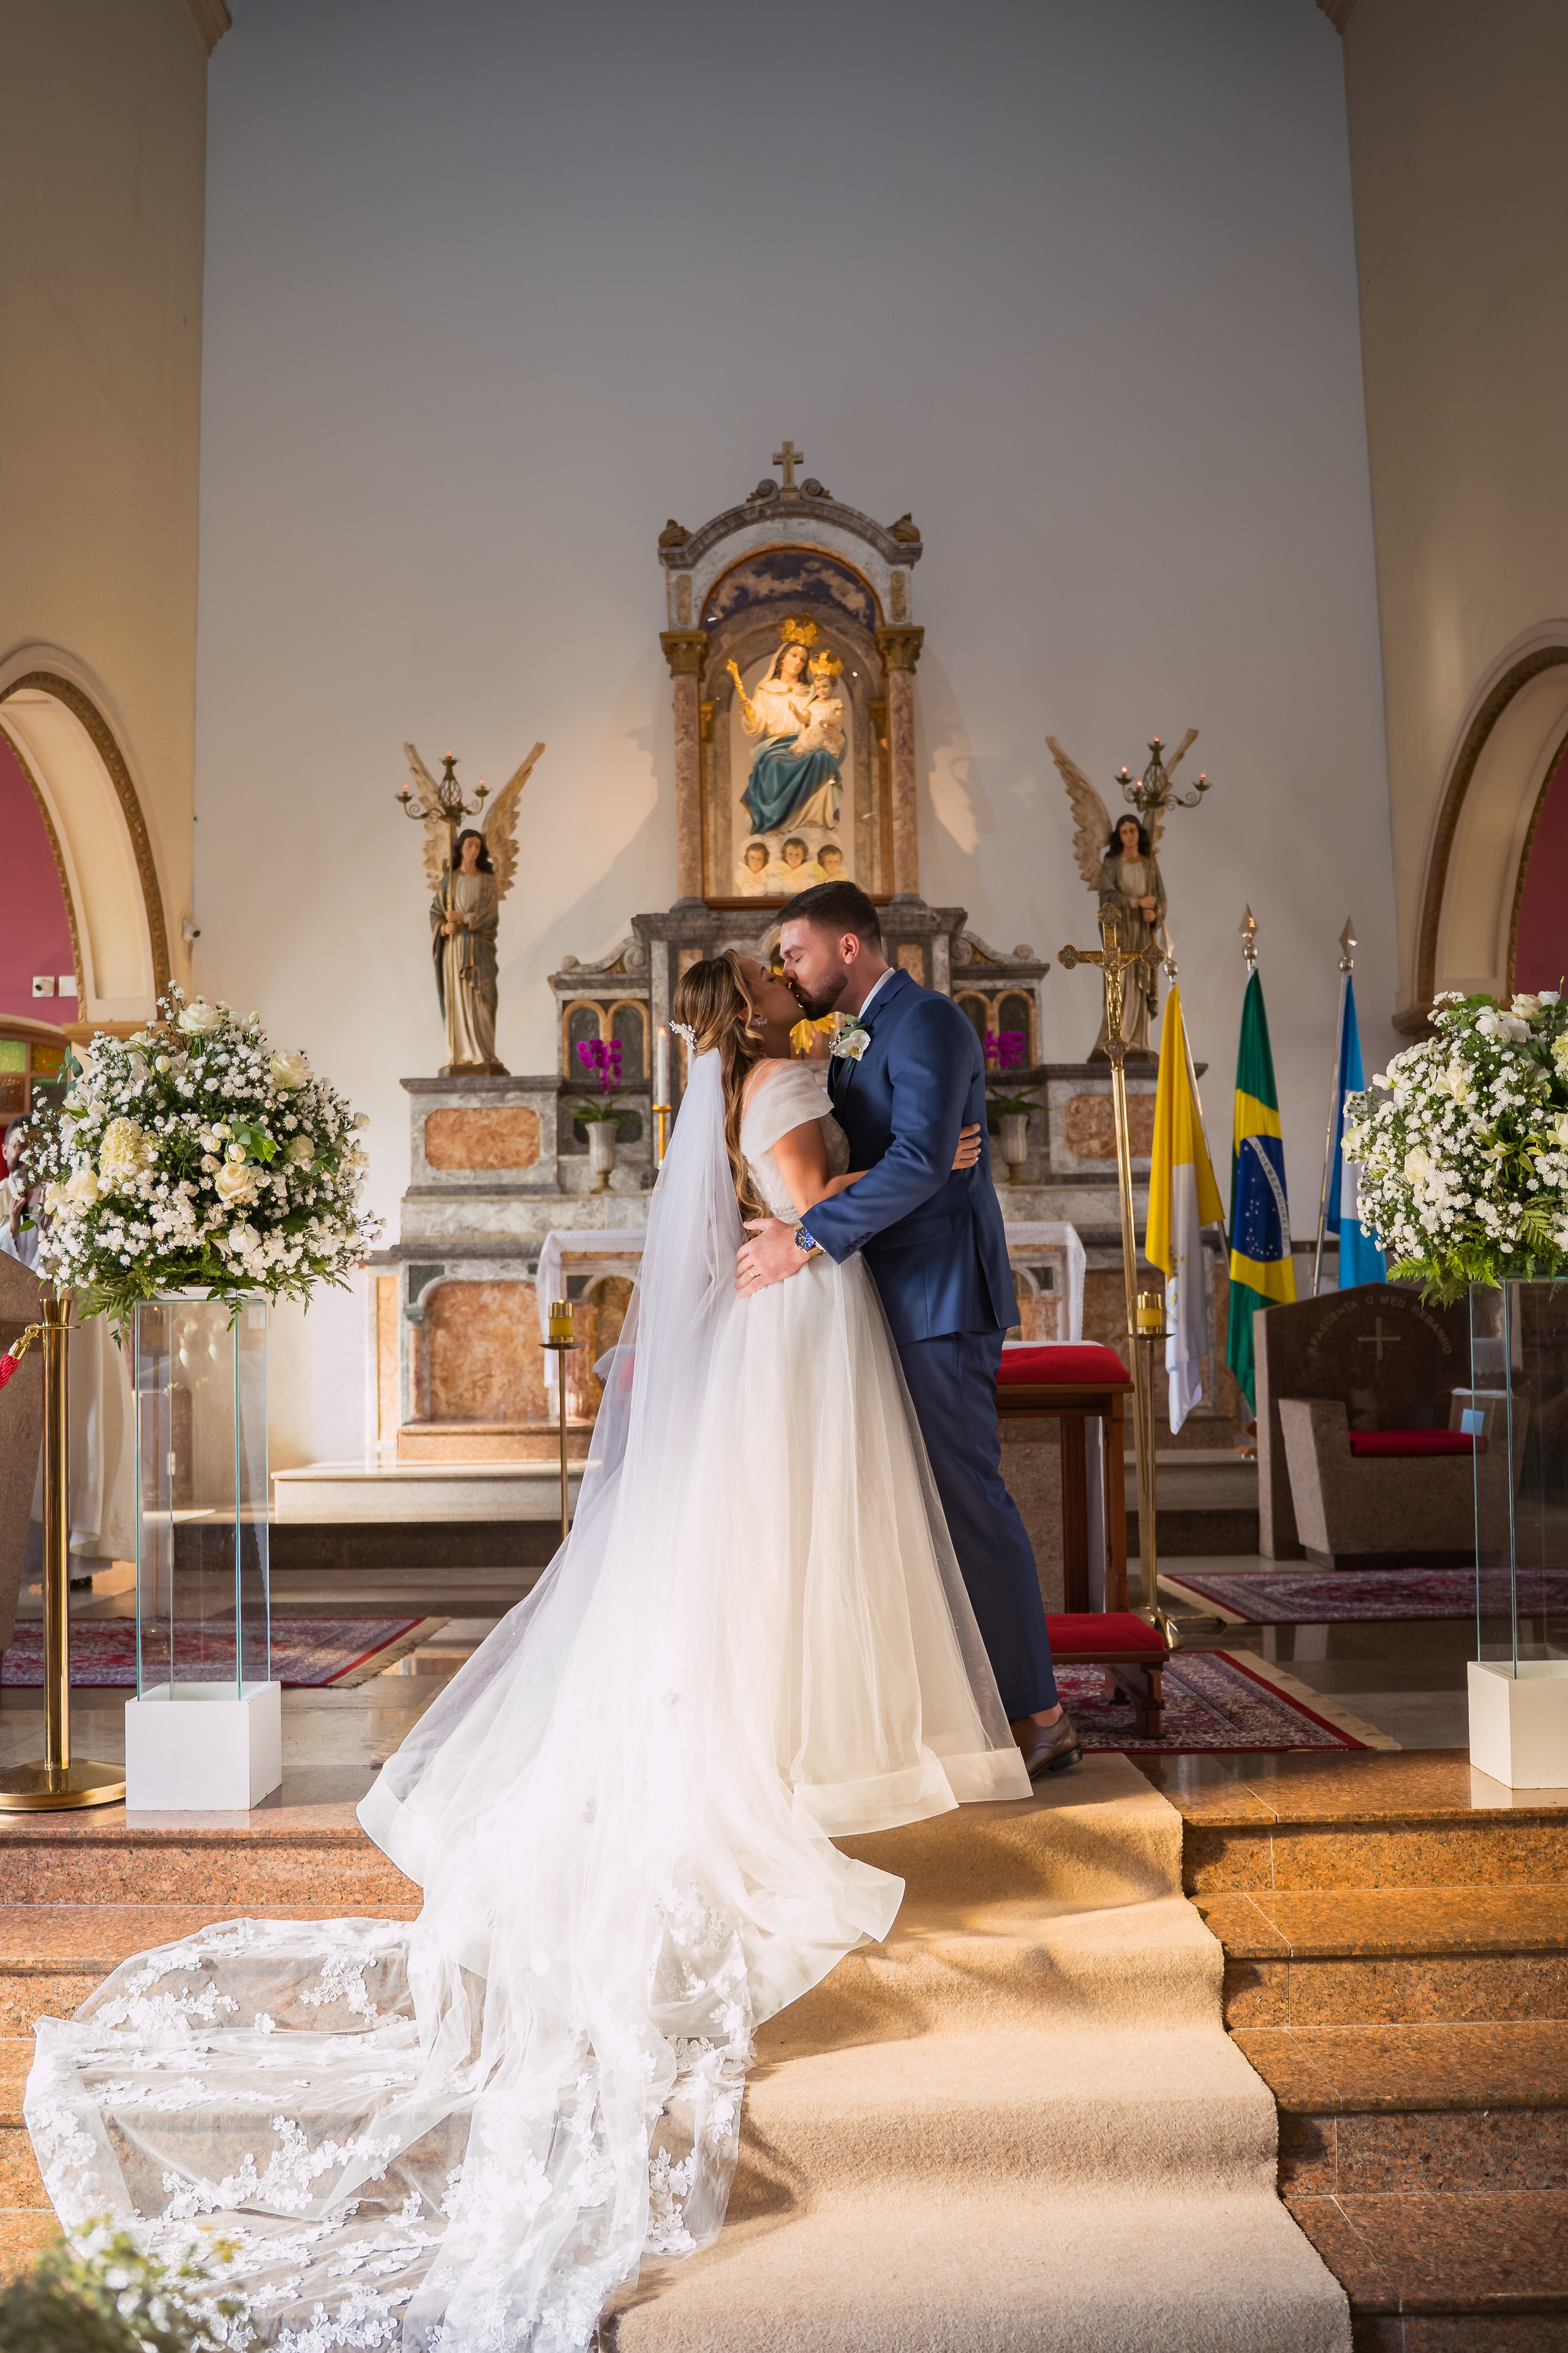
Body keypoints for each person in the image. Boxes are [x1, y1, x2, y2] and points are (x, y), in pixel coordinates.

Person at [26, 953, 1027, 2352]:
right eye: (789, 985)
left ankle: (777, 1722)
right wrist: (863, 1193)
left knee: (744, 1552)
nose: (810, 1000)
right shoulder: (786, 1076)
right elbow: (804, 1201)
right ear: (768, 1014)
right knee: (796, 1543)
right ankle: (795, 1738)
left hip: (771, 1323)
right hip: (798, 1316)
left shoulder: (738, 1075)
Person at [736, 878, 1081, 1780]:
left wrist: (805, 1235)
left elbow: (924, 1161)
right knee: (907, 1514)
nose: (788, 969)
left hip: (937, 1298)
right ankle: (955, 1705)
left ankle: (1042, 1715)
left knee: (966, 1505)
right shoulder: (854, 1035)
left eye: (798, 952)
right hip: (880, 1296)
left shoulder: (925, 1021)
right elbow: (883, 1150)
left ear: (851, 947)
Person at [729, 629, 844, 837]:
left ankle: (815, 822)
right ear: (782, 658)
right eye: (793, 656)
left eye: (802, 659)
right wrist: (748, 712)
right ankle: (774, 825)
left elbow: (822, 717)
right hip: (776, 746)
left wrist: (831, 731)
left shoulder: (810, 692)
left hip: (806, 744)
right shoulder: (766, 690)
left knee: (824, 758)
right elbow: (756, 725)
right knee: (774, 763)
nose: (797, 662)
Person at [429, 825, 502, 1070]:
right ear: (460, 848)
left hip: (479, 950)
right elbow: (436, 913)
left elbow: (490, 916)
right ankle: (461, 1053)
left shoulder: (487, 881)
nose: (473, 850)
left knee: (483, 999)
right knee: (458, 999)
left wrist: (464, 918)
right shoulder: (450, 881)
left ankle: (485, 1054)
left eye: (478, 847)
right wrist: (443, 928)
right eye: (469, 845)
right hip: (455, 949)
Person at [1093, 813, 1166, 1057]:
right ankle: (1113, 1039)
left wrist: (1154, 915)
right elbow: (1107, 897)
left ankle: (1137, 1042)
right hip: (1121, 934)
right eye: (1124, 832)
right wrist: (1136, 903)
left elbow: (1161, 900)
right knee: (1119, 982)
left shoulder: (1149, 865)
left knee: (1139, 983)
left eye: (1132, 831)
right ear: (1119, 836)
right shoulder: (1112, 863)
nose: (1129, 836)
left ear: (1139, 833)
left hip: (1143, 934)